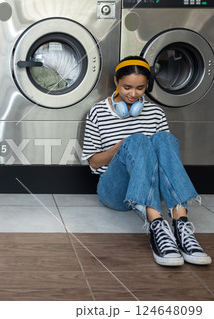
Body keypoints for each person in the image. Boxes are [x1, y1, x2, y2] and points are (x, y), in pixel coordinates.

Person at [82, 56, 211, 267]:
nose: (133, 94)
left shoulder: (155, 113)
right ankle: (157, 225)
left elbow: (166, 158)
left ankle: (181, 225)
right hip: (114, 190)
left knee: (164, 138)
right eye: (127, 87)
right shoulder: (98, 112)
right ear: (116, 81)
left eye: (140, 88)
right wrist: (119, 148)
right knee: (137, 139)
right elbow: (94, 163)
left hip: (151, 189)